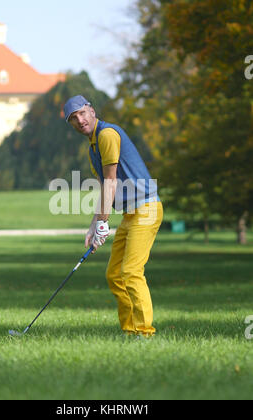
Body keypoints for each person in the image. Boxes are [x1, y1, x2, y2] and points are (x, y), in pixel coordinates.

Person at [64, 95, 163, 337]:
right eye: (73, 118)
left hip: (147, 210)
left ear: (92, 111)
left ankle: (144, 332)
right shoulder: (93, 145)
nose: (80, 120)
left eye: (82, 113)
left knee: (130, 271)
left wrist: (104, 223)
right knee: (114, 274)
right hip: (132, 214)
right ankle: (130, 331)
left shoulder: (107, 135)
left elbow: (111, 182)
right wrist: (94, 225)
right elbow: (104, 188)